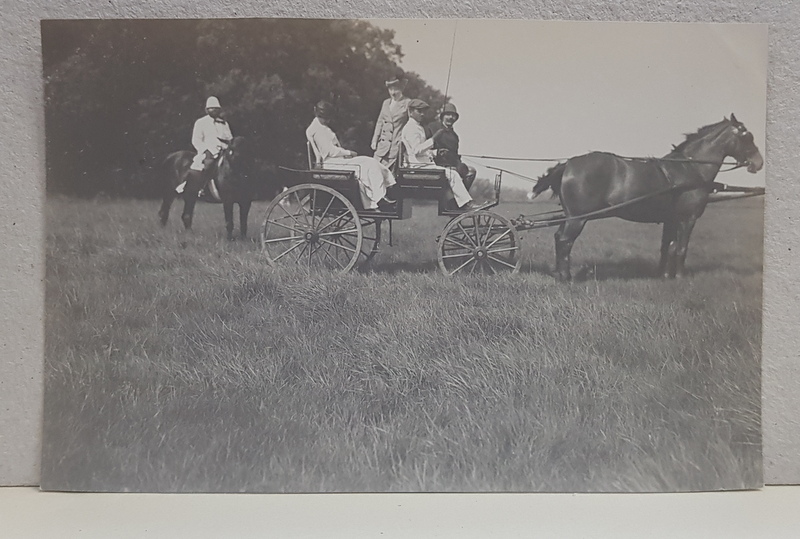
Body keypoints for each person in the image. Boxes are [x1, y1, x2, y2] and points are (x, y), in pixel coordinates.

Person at [306, 101, 396, 210]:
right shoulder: (317, 130)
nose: (327, 120)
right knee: (367, 164)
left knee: (369, 162)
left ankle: (382, 194)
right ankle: (379, 197)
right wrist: (348, 153)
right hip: (331, 163)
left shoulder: (320, 127)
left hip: (337, 161)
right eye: (325, 118)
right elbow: (330, 151)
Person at [401, 99, 475, 210]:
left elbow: (422, 151)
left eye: (423, 111)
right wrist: (434, 138)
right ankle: (465, 204)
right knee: (453, 174)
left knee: (456, 173)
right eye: (419, 111)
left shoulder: (417, 127)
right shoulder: (411, 128)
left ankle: (460, 202)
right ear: (410, 112)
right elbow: (416, 150)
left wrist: (436, 152)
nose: (422, 114)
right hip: (418, 166)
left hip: (423, 163)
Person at [176, 96, 233, 196]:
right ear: (207, 110)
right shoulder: (201, 122)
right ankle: (201, 188)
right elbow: (196, 140)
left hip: (224, 151)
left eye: (216, 108)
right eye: (212, 108)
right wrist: (205, 150)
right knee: (207, 165)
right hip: (208, 151)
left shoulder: (224, 123)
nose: (214, 110)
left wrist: (228, 147)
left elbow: (229, 138)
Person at [425, 102, 477, 191]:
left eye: (453, 116)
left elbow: (455, 155)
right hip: (436, 164)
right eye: (448, 114)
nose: (450, 117)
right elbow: (424, 148)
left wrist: (459, 164)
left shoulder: (455, 136)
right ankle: (460, 201)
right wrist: (438, 152)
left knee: (471, 171)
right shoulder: (432, 127)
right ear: (442, 116)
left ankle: (458, 201)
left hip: (451, 165)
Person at [370, 68, 411, 170]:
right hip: (382, 147)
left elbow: (411, 125)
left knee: (390, 176)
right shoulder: (386, 103)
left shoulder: (407, 103)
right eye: (390, 89)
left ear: (401, 88)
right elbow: (380, 122)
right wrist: (374, 140)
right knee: (374, 170)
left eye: (395, 89)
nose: (393, 92)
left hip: (396, 148)